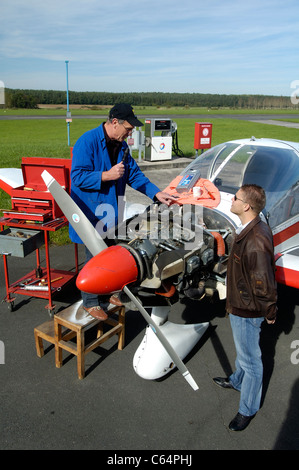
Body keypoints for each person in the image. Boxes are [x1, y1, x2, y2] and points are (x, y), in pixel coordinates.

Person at [69, 103, 176, 320]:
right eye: (128, 128)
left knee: (109, 254)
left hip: (111, 214)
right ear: (114, 122)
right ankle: (90, 302)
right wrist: (105, 176)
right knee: (95, 258)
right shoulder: (87, 142)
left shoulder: (122, 147)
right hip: (92, 213)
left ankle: (107, 294)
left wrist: (156, 194)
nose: (131, 133)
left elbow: (134, 176)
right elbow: (77, 177)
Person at [213, 184, 277, 431]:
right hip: (239, 303)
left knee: (251, 361)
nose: (231, 198)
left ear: (246, 206)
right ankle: (237, 381)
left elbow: (264, 283)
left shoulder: (256, 241)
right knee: (244, 349)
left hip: (246, 309)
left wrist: (269, 312)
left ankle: (247, 409)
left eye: (236, 197)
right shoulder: (251, 226)